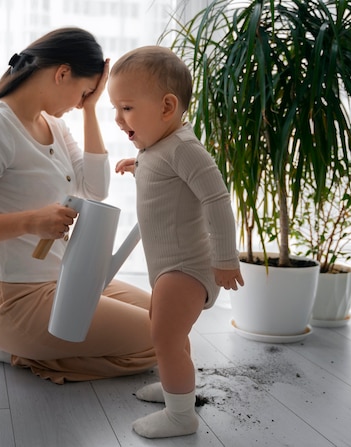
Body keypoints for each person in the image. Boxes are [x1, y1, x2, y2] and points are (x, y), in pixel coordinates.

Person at [0, 28, 157, 385]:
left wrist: (90, 110)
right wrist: (30, 222)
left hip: (64, 280)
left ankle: (33, 347)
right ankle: (14, 350)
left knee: (167, 320)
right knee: (158, 342)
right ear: (62, 74)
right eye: (83, 93)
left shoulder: (54, 124)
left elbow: (96, 188)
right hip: (13, 297)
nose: (79, 103)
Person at [109, 46, 245, 439]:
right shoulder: (158, 148)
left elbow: (216, 200)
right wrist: (139, 165)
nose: (118, 119)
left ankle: (181, 416)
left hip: (188, 267)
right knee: (169, 333)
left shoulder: (185, 148)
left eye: (127, 108)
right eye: (116, 109)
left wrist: (225, 258)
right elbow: (166, 178)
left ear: (167, 106)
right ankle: (177, 389)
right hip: (171, 266)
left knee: (164, 336)